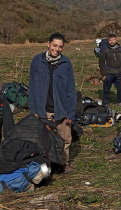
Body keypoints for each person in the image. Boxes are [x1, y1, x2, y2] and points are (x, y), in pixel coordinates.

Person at [29, 32, 77, 173]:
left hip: (61, 109)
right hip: (43, 108)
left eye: (60, 47)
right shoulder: (37, 61)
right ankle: (45, 165)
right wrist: (34, 109)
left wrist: (70, 112)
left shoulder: (66, 63)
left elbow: (71, 89)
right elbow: (32, 87)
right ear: (48, 44)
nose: (56, 49)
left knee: (64, 139)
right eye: (54, 45)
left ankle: (63, 163)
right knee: (43, 139)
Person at [99, 34, 121, 106]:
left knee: (120, 88)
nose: (112, 41)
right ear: (108, 40)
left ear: (116, 40)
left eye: (113, 40)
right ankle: (106, 102)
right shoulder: (105, 50)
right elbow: (101, 62)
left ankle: (119, 101)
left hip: (119, 73)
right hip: (108, 73)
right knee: (106, 89)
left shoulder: (120, 49)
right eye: (110, 40)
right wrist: (103, 74)